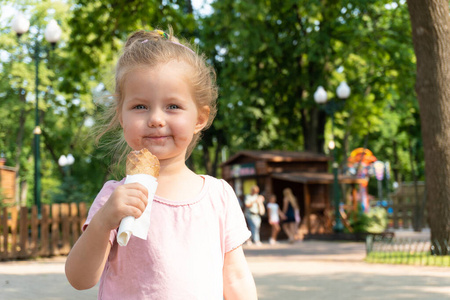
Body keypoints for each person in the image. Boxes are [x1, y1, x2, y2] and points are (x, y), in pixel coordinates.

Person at [65, 28, 257, 299]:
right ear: (121, 116)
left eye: (173, 106)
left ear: (200, 118)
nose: (155, 118)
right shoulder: (115, 197)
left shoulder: (219, 196)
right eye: (140, 107)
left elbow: (236, 278)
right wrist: (103, 222)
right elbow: (80, 279)